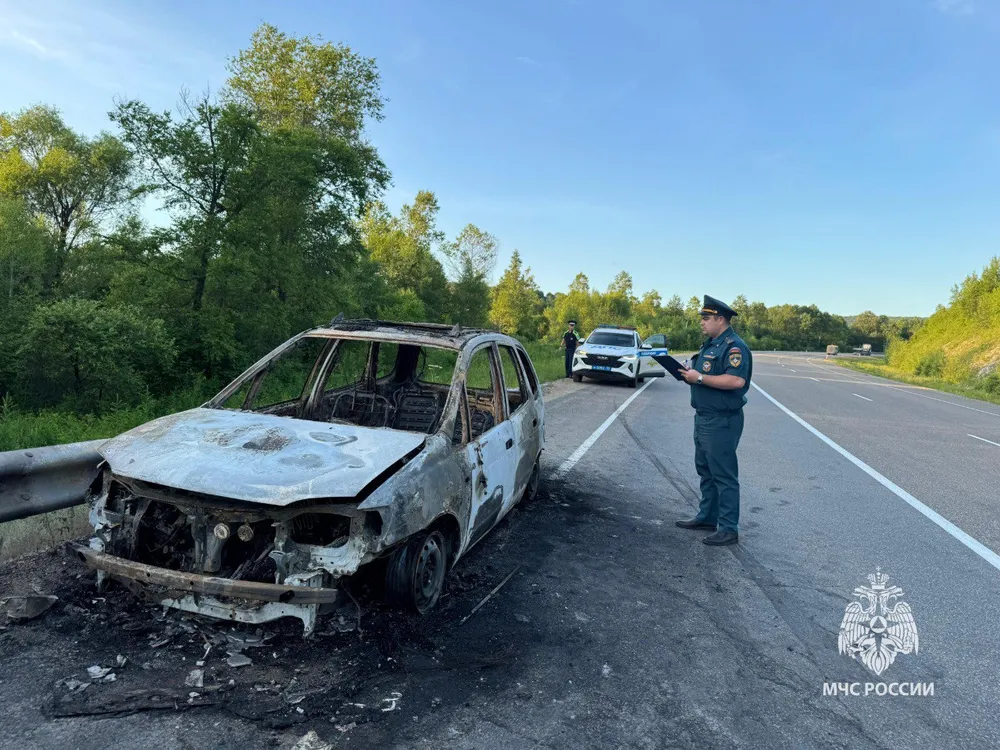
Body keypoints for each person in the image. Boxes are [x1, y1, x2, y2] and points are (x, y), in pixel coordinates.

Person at [675, 296, 752, 546]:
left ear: (721, 319)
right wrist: (690, 372)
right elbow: (705, 372)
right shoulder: (711, 345)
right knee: (706, 471)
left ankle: (729, 528)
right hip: (704, 417)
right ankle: (707, 517)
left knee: (723, 474)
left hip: (722, 421)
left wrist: (698, 379)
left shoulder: (734, 347)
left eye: (706, 318)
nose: (702, 323)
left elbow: (736, 381)